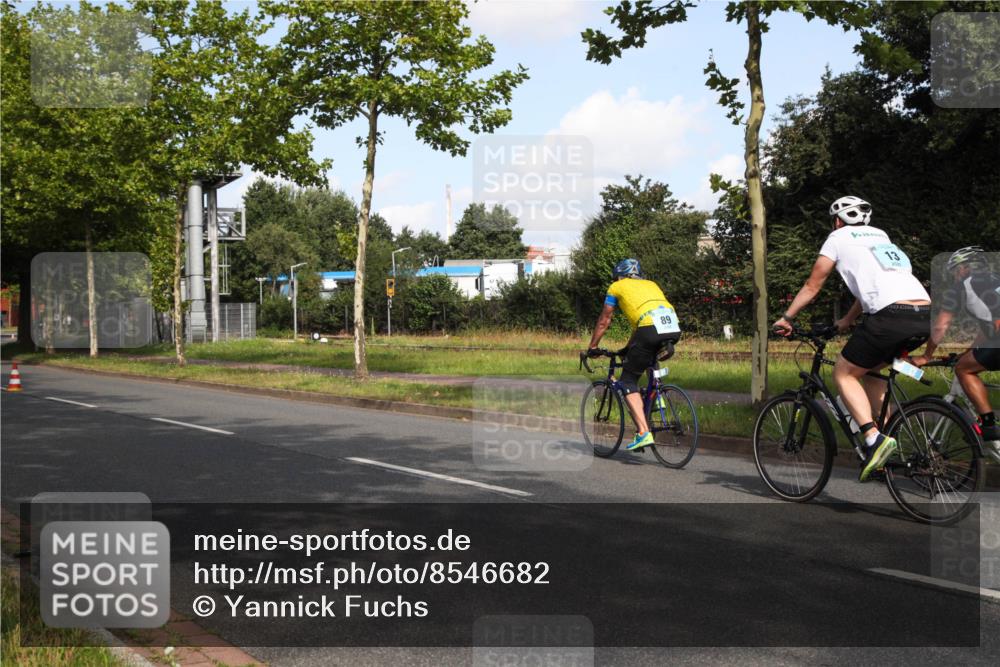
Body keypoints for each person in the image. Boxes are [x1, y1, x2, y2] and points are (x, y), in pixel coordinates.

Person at [773, 196, 931, 481]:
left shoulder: (837, 237)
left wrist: (787, 318)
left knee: (844, 373)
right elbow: (870, 287)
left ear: (837, 220)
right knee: (870, 371)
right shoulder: (881, 236)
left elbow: (813, 285)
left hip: (890, 317)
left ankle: (873, 438)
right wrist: (847, 320)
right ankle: (891, 440)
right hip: (923, 313)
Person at [585, 258, 681, 451]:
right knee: (646, 356)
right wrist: (628, 347)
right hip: (673, 328)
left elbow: (605, 320)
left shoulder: (615, 287)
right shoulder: (651, 284)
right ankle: (657, 396)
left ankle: (644, 433)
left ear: (619, 276)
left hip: (649, 330)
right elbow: (642, 324)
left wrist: (593, 346)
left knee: (628, 380)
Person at [911, 246, 1000, 442]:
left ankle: (989, 425)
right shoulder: (994, 280)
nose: (954, 276)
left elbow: (941, 326)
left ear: (964, 268)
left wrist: (926, 356)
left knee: (963, 370)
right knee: (967, 362)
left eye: (954, 271)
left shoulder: (962, 287)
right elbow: (989, 330)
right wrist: (967, 353)